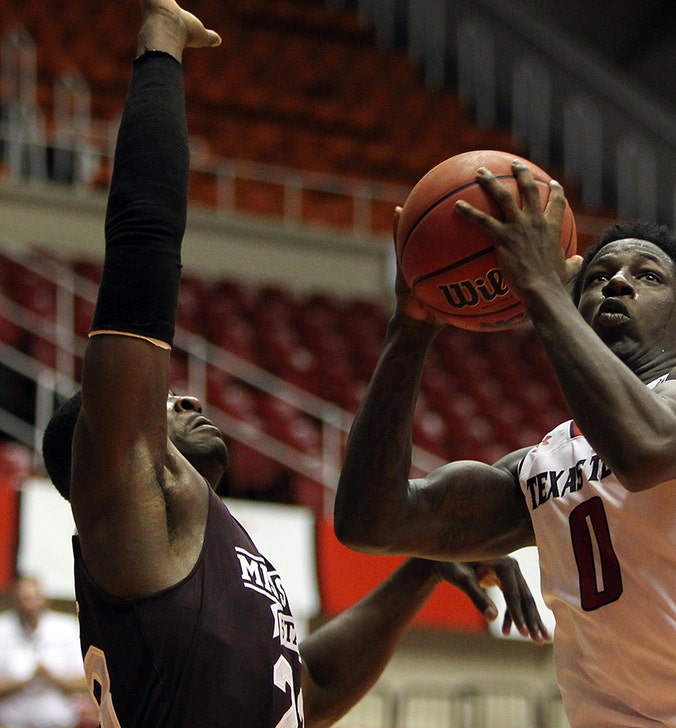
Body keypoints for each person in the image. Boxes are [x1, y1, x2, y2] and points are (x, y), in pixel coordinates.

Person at [36, 3, 546, 726]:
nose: (179, 400)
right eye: (161, 400)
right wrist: (160, 51)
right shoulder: (122, 498)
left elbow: (312, 691)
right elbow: (143, 246)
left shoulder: (203, 548)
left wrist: (425, 565)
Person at [333, 166, 676, 725]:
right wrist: (411, 329)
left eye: (648, 277)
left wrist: (542, 287)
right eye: (597, 276)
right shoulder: (539, 467)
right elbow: (372, 521)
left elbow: (645, 451)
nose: (615, 283)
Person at [0, 576, 90, 728]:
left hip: (59, 722)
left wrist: (52, 678)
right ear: (14, 600)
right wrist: (26, 681)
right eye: (23, 598)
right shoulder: (2, 629)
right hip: (11, 722)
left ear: (44, 598)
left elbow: (86, 682)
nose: (28, 604)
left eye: (33, 598)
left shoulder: (66, 628)